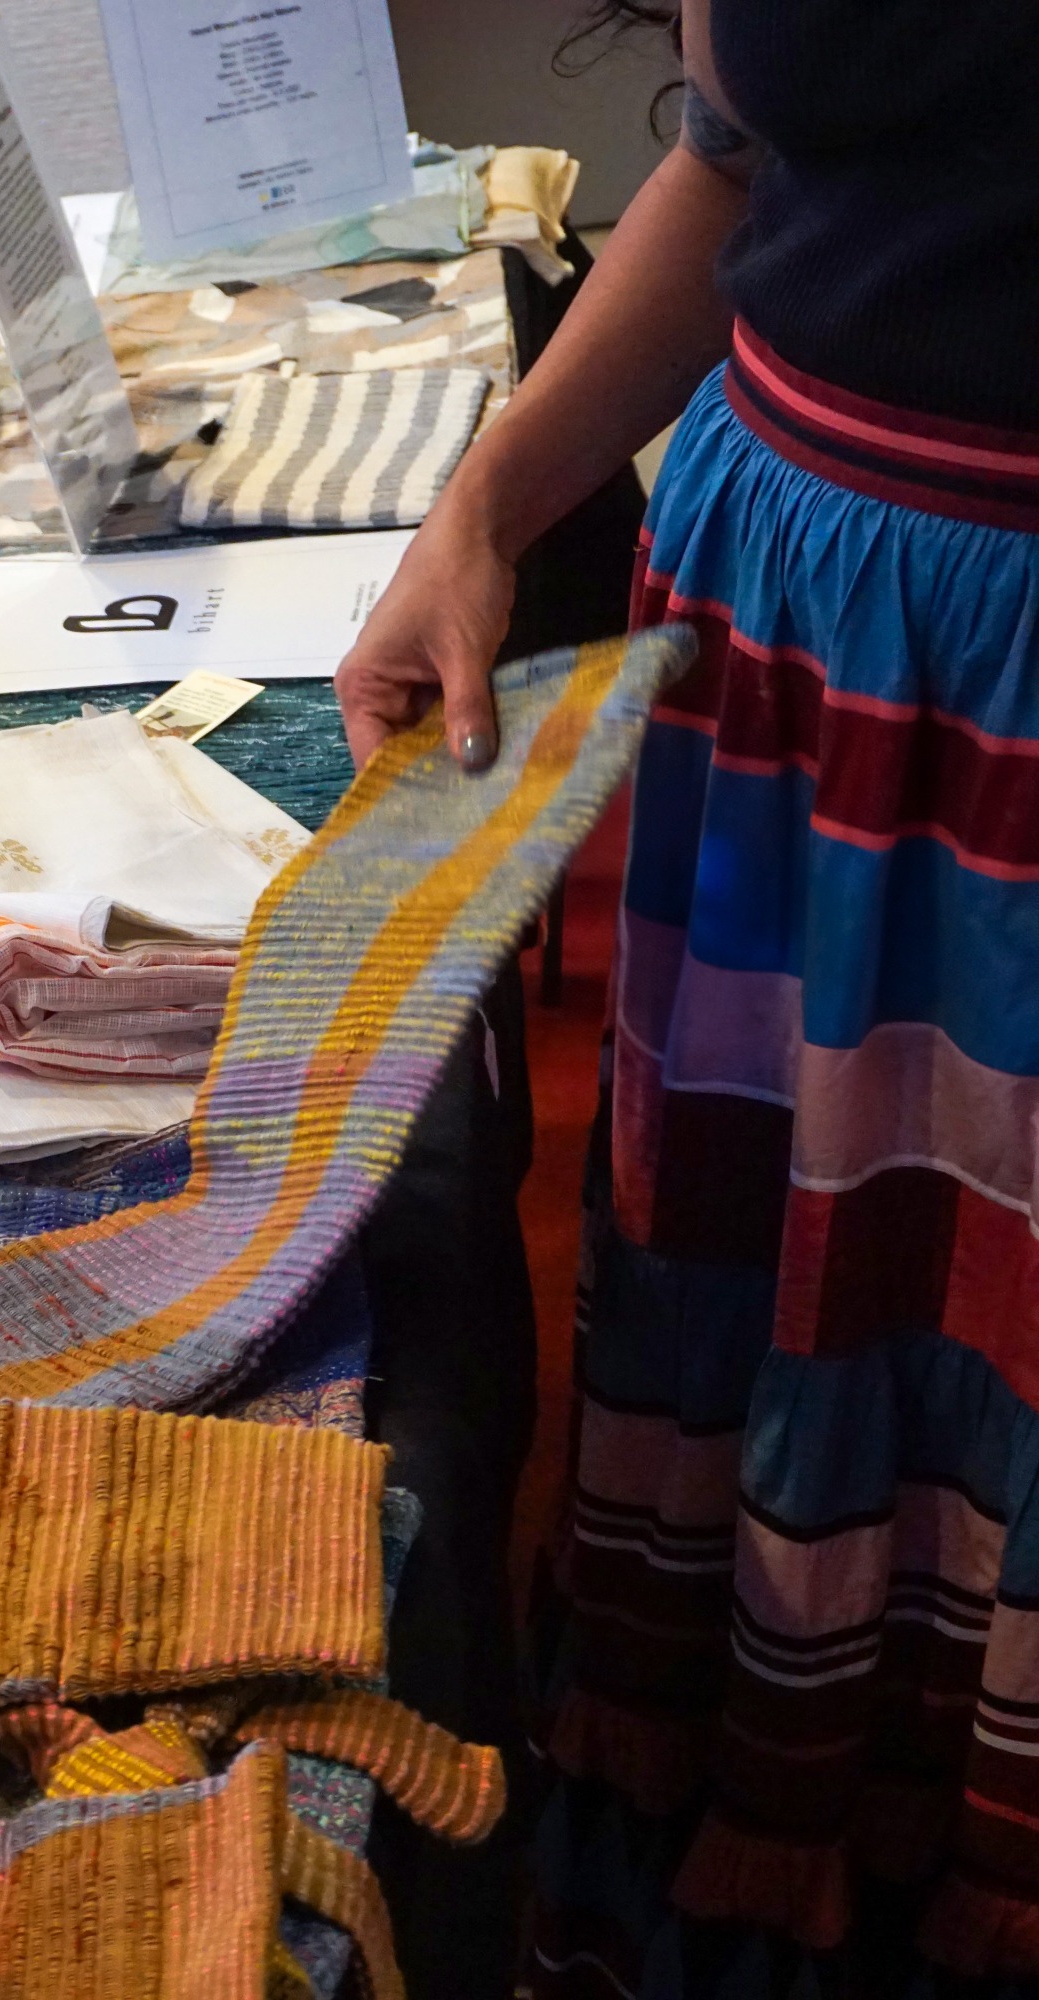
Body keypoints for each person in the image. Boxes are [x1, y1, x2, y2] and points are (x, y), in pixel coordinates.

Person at [333, 2, 1039, 1983]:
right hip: (792, 638)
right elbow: (740, 155)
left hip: (1014, 699)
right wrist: (486, 506)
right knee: (763, 1294)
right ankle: (747, 1865)